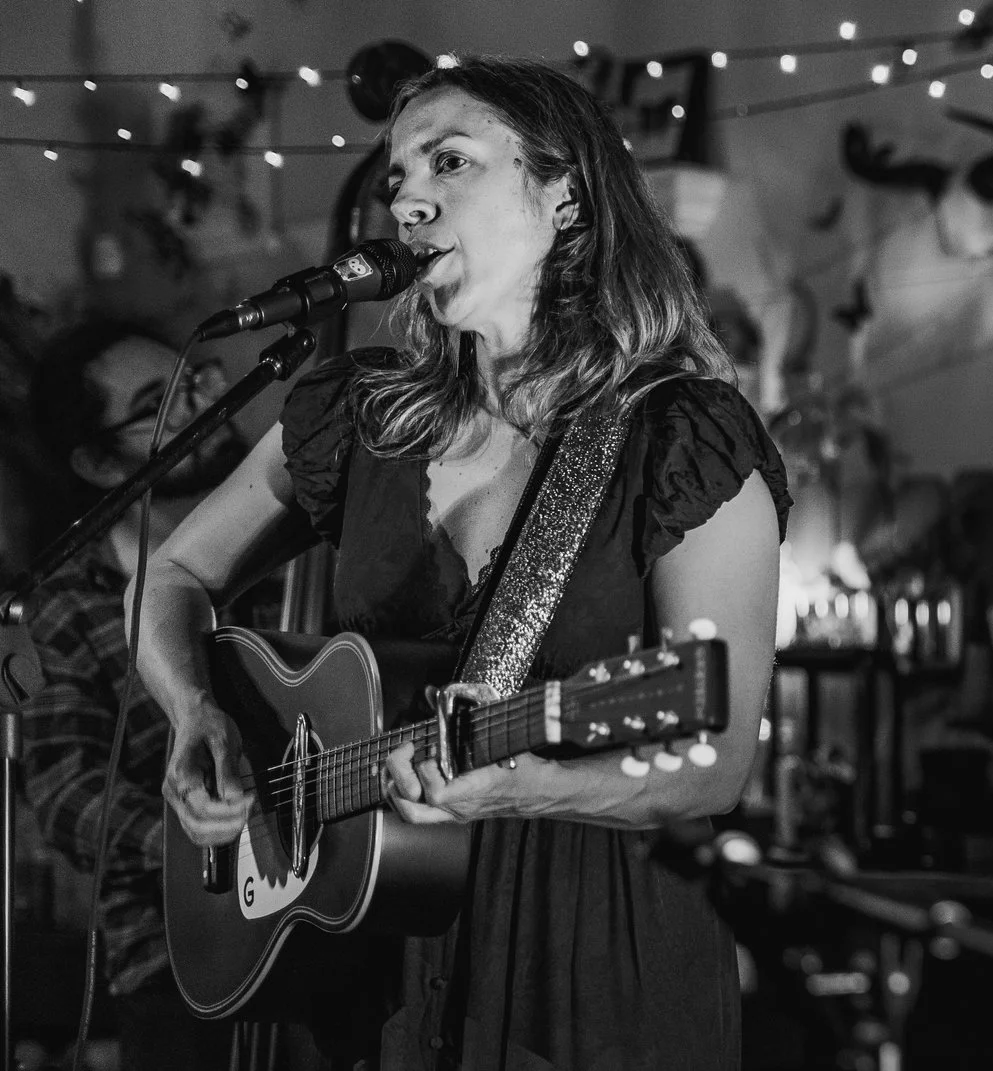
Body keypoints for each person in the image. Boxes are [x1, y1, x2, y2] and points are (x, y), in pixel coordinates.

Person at [134, 56, 788, 1071]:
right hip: (368, 966)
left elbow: (716, 761)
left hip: (588, 965)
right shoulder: (361, 418)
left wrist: (523, 786)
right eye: (397, 179)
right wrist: (196, 717)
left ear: (563, 195)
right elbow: (171, 580)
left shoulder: (681, 439)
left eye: (451, 161)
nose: (408, 199)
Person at [18, 318, 262, 1071]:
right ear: (95, 461)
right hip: (170, 954)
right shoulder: (64, 603)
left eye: (197, 378)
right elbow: (63, 790)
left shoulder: (286, 536)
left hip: (325, 923)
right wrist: (208, 829)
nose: (203, 403)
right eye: (161, 400)